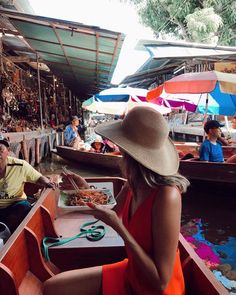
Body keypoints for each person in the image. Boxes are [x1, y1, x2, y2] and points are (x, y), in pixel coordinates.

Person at [43, 106, 190, 295]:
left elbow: (161, 282)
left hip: (157, 289)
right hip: (133, 272)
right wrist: (84, 189)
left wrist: (119, 227)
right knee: (52, 287)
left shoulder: (167, 195)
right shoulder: (134, 182)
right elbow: (112, 210)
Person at [0, 136, 57, 234]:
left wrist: (47, 182)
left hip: (14, 206)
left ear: (8, 151)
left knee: (25, 207)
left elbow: (38, 177)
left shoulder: (20, 165)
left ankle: (7, 233)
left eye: (0, 149)